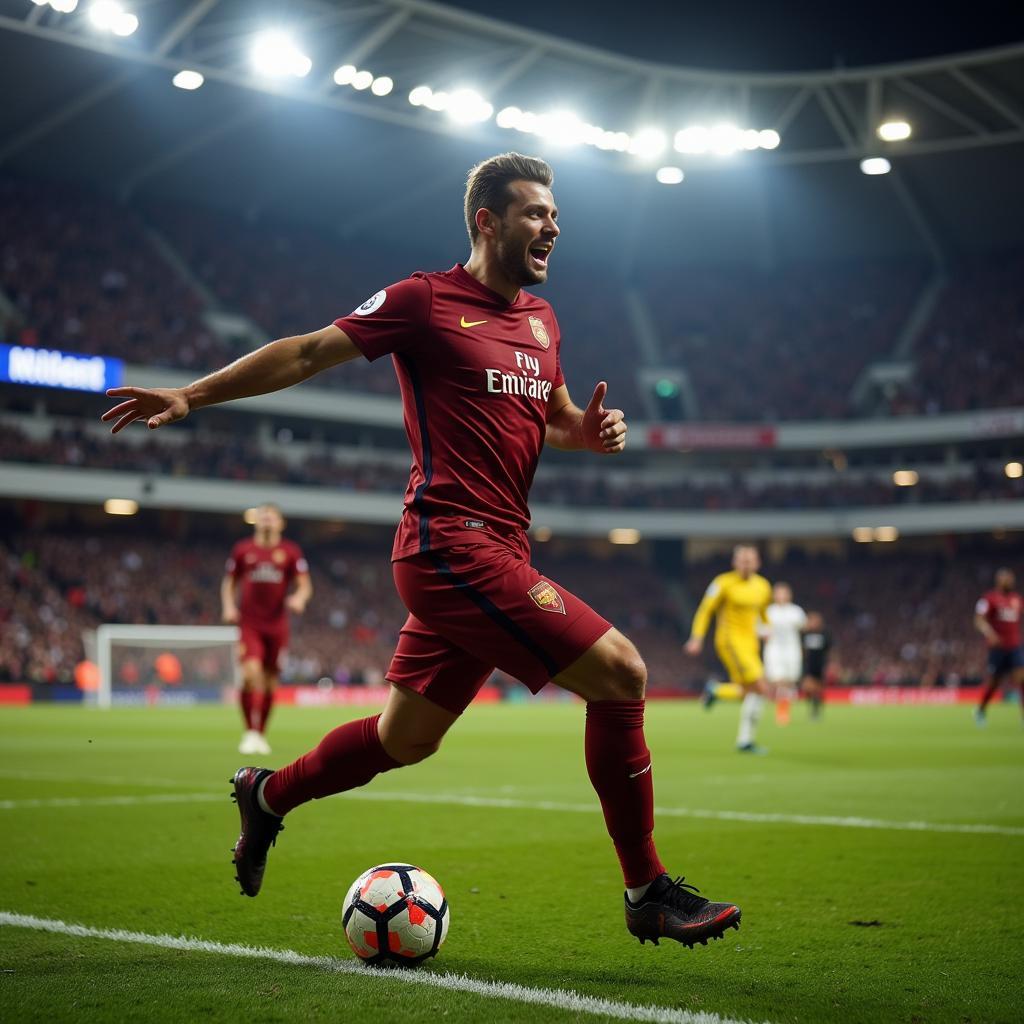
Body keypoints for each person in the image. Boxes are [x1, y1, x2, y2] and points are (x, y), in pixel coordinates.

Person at [101, 152, 740, 949]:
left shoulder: (542, 320)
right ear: (487, 221)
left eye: (555, 214)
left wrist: (590, 433)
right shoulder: (423, 301)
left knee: (405, 740)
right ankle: (647, 890)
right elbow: (306, 352)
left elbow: (556, 417)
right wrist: (192, 394)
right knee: (622, 672)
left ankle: (264, 797)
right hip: (448, 545)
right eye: (537, 213)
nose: (554, 226)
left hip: (501, 547)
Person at [222, 503, 312, 755]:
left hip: (277, 625)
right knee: (251, 675)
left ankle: (260, 733)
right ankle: (249, 731)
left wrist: (299, 598)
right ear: (256, 522)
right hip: (250, 624)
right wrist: (229, 606)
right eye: (263, 517)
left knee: (271, 683)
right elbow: (229, 582)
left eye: (271, 517)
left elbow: (305, 585)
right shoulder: (243, 550)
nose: (267, 521)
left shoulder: (290, 552)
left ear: (280, 523)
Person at [685, 545, 772, 753]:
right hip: (730, 642)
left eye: (750, 560)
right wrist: (696, 637)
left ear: (757, 563)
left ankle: (716, 691)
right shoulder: (723, 582)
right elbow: (705, 610)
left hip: (750, 643)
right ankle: (745, 740)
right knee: (761, 687)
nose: (746, 564)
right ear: (735, 563)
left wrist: (767, 629)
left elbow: (764, 613)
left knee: (747, 692)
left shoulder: (763, 586)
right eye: (742, 560)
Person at [973, 567, 1023, 726]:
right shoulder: (989, 599)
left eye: (1011, 578)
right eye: (1007, 578)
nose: (1010, 581)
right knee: (994, 682)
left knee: (1021, 678)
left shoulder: (1017, 599)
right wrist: (990, 633)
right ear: (999, 580)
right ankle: (980, 710)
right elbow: (979, 620)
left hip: (1015, 646)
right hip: (998, 649)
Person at [762, 582, 807, 726]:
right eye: (778, 593)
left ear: (789, 595)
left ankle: (783, 712)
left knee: (788, 681)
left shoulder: (796, 611)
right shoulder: (769, 611)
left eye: (784, 593)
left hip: (791, 649)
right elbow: (760, 630)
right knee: (776, 680)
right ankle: (775, 706)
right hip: (774, 649)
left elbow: (804, 627)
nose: (781, 596)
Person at [799, 611, 831, 720]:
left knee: (818, 690)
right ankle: (813, 710)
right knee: (808, 688)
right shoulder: (804, 634)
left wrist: (832, 664)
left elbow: (830, 650)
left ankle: (816, 711)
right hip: (808, 666)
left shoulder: (825, 634)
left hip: (820, 666)